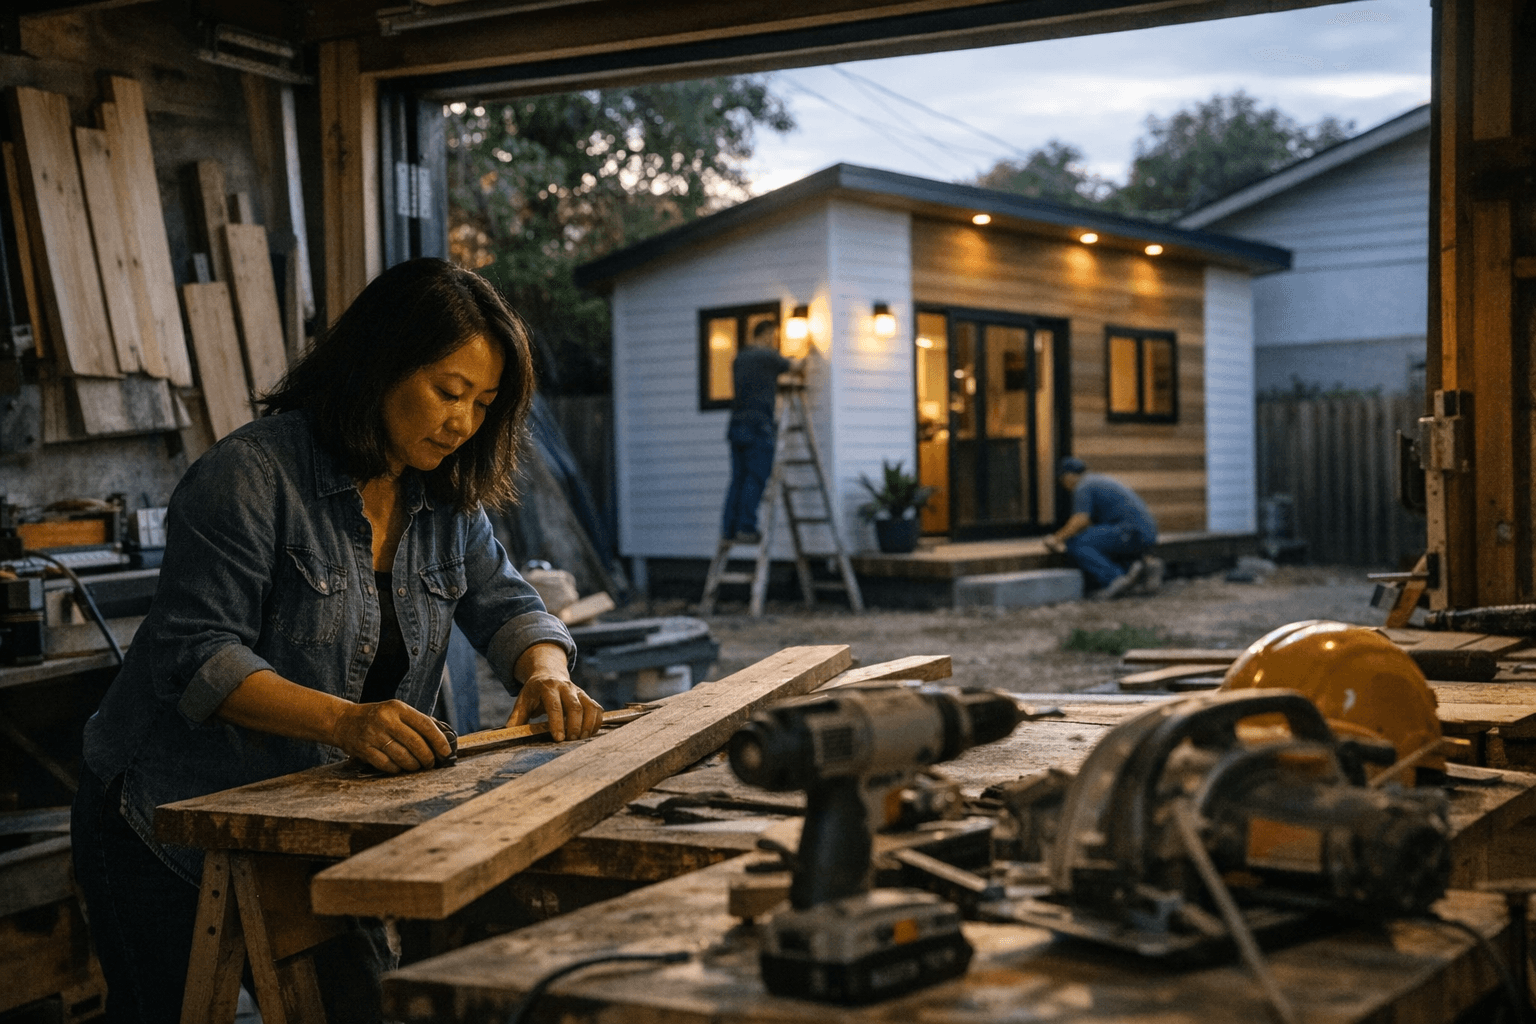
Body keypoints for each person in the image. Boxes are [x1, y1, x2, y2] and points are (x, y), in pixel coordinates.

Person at [70, 258, 605, 1023]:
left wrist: (546, 671)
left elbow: (508, 604)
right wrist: (346, 722)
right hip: (163, 818)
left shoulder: (446, 495)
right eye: (448, 392)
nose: (462, 422)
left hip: (306, 822)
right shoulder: (250, 476)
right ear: (378, 365)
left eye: (484, 403)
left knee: (357, 1007)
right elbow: (199, 655)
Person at [719, 318, 798, 544]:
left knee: (738, 478)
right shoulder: (767, 356)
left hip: (736, 425)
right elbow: (795, 367)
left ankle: (729, 529)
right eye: (774, 337)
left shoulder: (739, 358)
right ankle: (746, 527)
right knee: (756, 476)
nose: (775, 342)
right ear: (767, 334)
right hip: (758, 425)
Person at [1043, 456, 1163, 600]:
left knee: (1076, 543)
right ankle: (1144, 567)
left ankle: (1115, 579)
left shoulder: (1083, 486)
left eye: (1062, 480)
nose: (1063, 485)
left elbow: (1081, 520)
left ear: (1068, 476)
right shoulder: (1097, 480)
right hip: (1144, 532)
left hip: (1130, 531)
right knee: (1095, 540)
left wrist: (1056, 539)